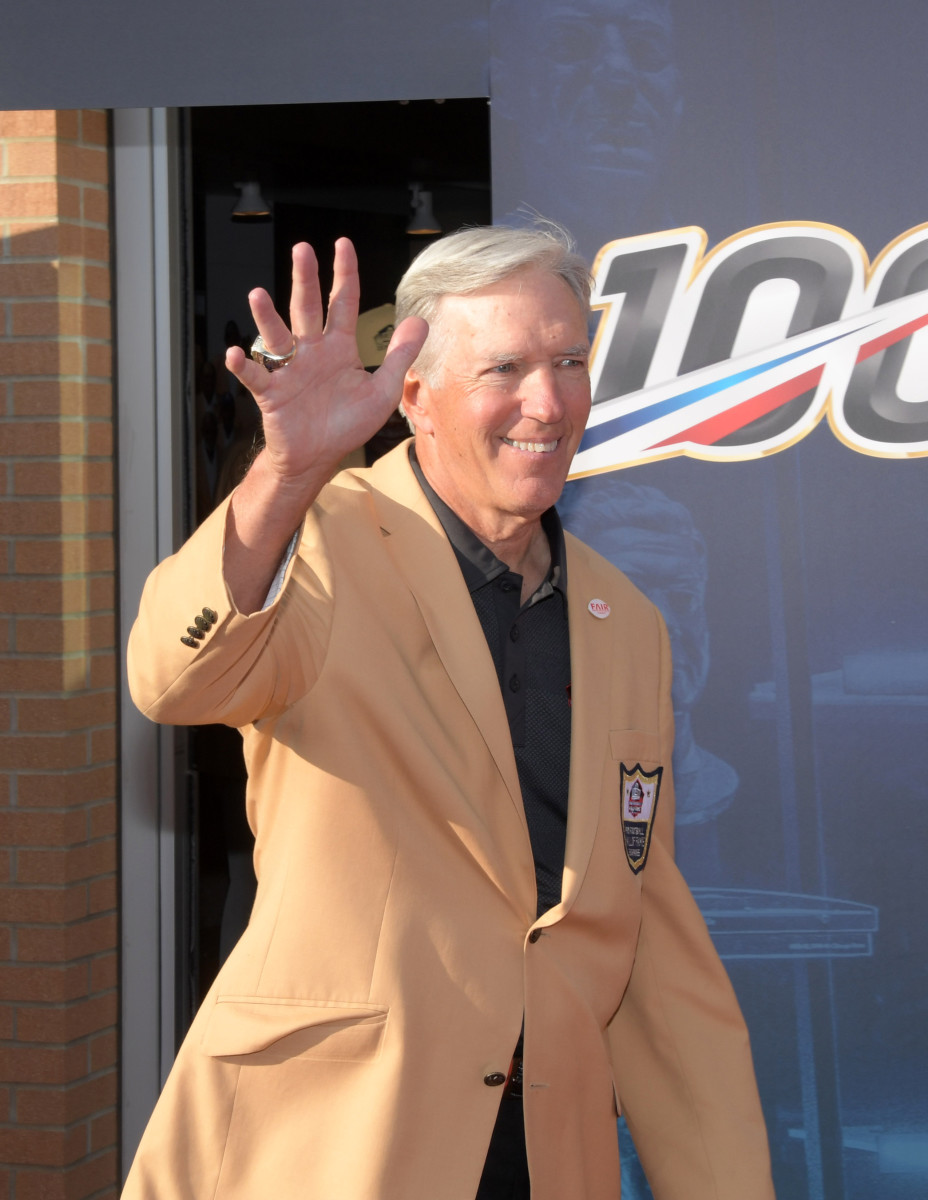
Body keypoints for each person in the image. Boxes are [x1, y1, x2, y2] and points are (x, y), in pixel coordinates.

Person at [124, 225, 774, 1200]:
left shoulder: (627, 623)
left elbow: (641, 935)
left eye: (568, 361)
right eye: (504, 367)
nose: (547, 403)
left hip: (544, 1157)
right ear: (414, 393)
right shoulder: (325, 544)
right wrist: (285, 478)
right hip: (331, 1148)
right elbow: (173, 678)